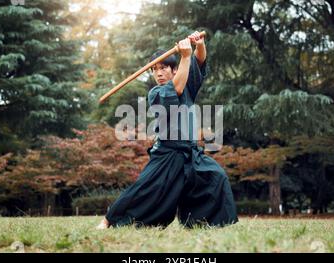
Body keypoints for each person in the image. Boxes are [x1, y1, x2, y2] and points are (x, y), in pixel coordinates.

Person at [96, 31, 238, 229]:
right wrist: (185, 57)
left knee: (216, 176)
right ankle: (108, 220)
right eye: (155, 69)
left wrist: (199, 45)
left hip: (190, 152)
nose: (159, 73)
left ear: (174, 70)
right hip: (167, 153)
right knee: (143, 189)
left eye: (163, 68)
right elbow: (176, 88)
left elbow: (199, 61)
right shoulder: (156, 93)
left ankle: (203, 224)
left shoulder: (188, 84)